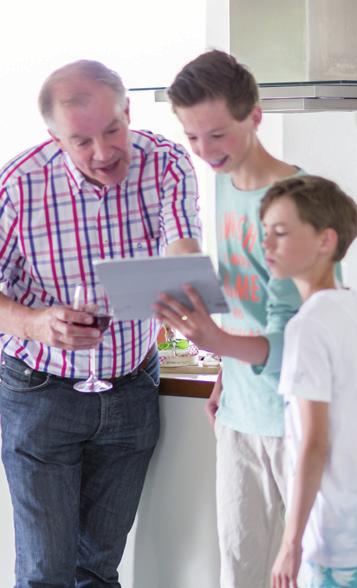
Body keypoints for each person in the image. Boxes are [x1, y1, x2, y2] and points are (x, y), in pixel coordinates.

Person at [0, 60, 201, 586]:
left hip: (133, 388)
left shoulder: (167, 162)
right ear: (53, 136)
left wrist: (182, 283)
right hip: (41, 394)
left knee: (98, 568)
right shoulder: (19, 187)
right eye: (81, 141)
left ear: (128, 111)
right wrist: (39, 323)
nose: (104, 153)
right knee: (47, 573)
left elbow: (182, 243)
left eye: (113, 130)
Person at [157, 49, 305, 587]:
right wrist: (226, 371)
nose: (204, 151)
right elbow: (249, 306)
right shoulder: (223, 185)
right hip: (240, 416)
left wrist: (215, 339)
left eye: (216, 135)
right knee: (239, 574)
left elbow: (298, 339)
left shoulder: (298, 202)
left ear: (255, 116)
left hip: (298, 419)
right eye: (192, 138)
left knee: (309, 574)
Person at [261, 176, 357, 588]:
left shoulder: (306, 327)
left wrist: (290, 543)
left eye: (281, 232)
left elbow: (314, 444)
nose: (267, 245)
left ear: (325, 241)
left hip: (338, 533)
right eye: (265, 233)